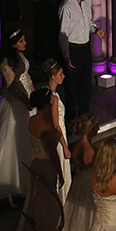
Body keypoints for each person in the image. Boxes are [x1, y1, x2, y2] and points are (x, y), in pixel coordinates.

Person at [8, 88, 64, 231]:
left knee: (35, 201)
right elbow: (53, 155)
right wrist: (61, 173)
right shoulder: (47, 128)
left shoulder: (32, 120)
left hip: (33, 163)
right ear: (47, 105)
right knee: (48, 205)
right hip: (45, 166)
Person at [0, 28, 35, 197]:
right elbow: (13, 86)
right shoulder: (5, 62)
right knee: (15, 137)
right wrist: (27, 101)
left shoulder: (20, 56)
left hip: (28, 97)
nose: (25, 44)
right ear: (13, 44)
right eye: (21, 41)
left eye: (24, 40)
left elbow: (26, 76)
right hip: (16, 102)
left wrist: (33, 94)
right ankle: (15, 179)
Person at [52, 113, 98, 231]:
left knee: (74, 224)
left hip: (77, 186)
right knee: (86, 222)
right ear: (91, 129)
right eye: (96, 126)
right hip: (87, 188)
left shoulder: (77, 145)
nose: (99, 129)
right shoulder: (90, 151)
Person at [58, 0, 108, 121]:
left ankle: (85, 116)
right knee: (72, 86)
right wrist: (66, 56)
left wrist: (96, 30)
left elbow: (88, 22)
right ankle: (73, 118)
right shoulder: (66, 7)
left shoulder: (87, 1)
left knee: (86, 84)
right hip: (73, 49)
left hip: (85, 48)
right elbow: (63, 34)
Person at [42, 58, 72, 203]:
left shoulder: (47, 94)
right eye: (60, 74)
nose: (63, 76)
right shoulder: (52, 98)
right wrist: (65, 147)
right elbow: (55, 125)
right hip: (58, 138)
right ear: (53, 77)